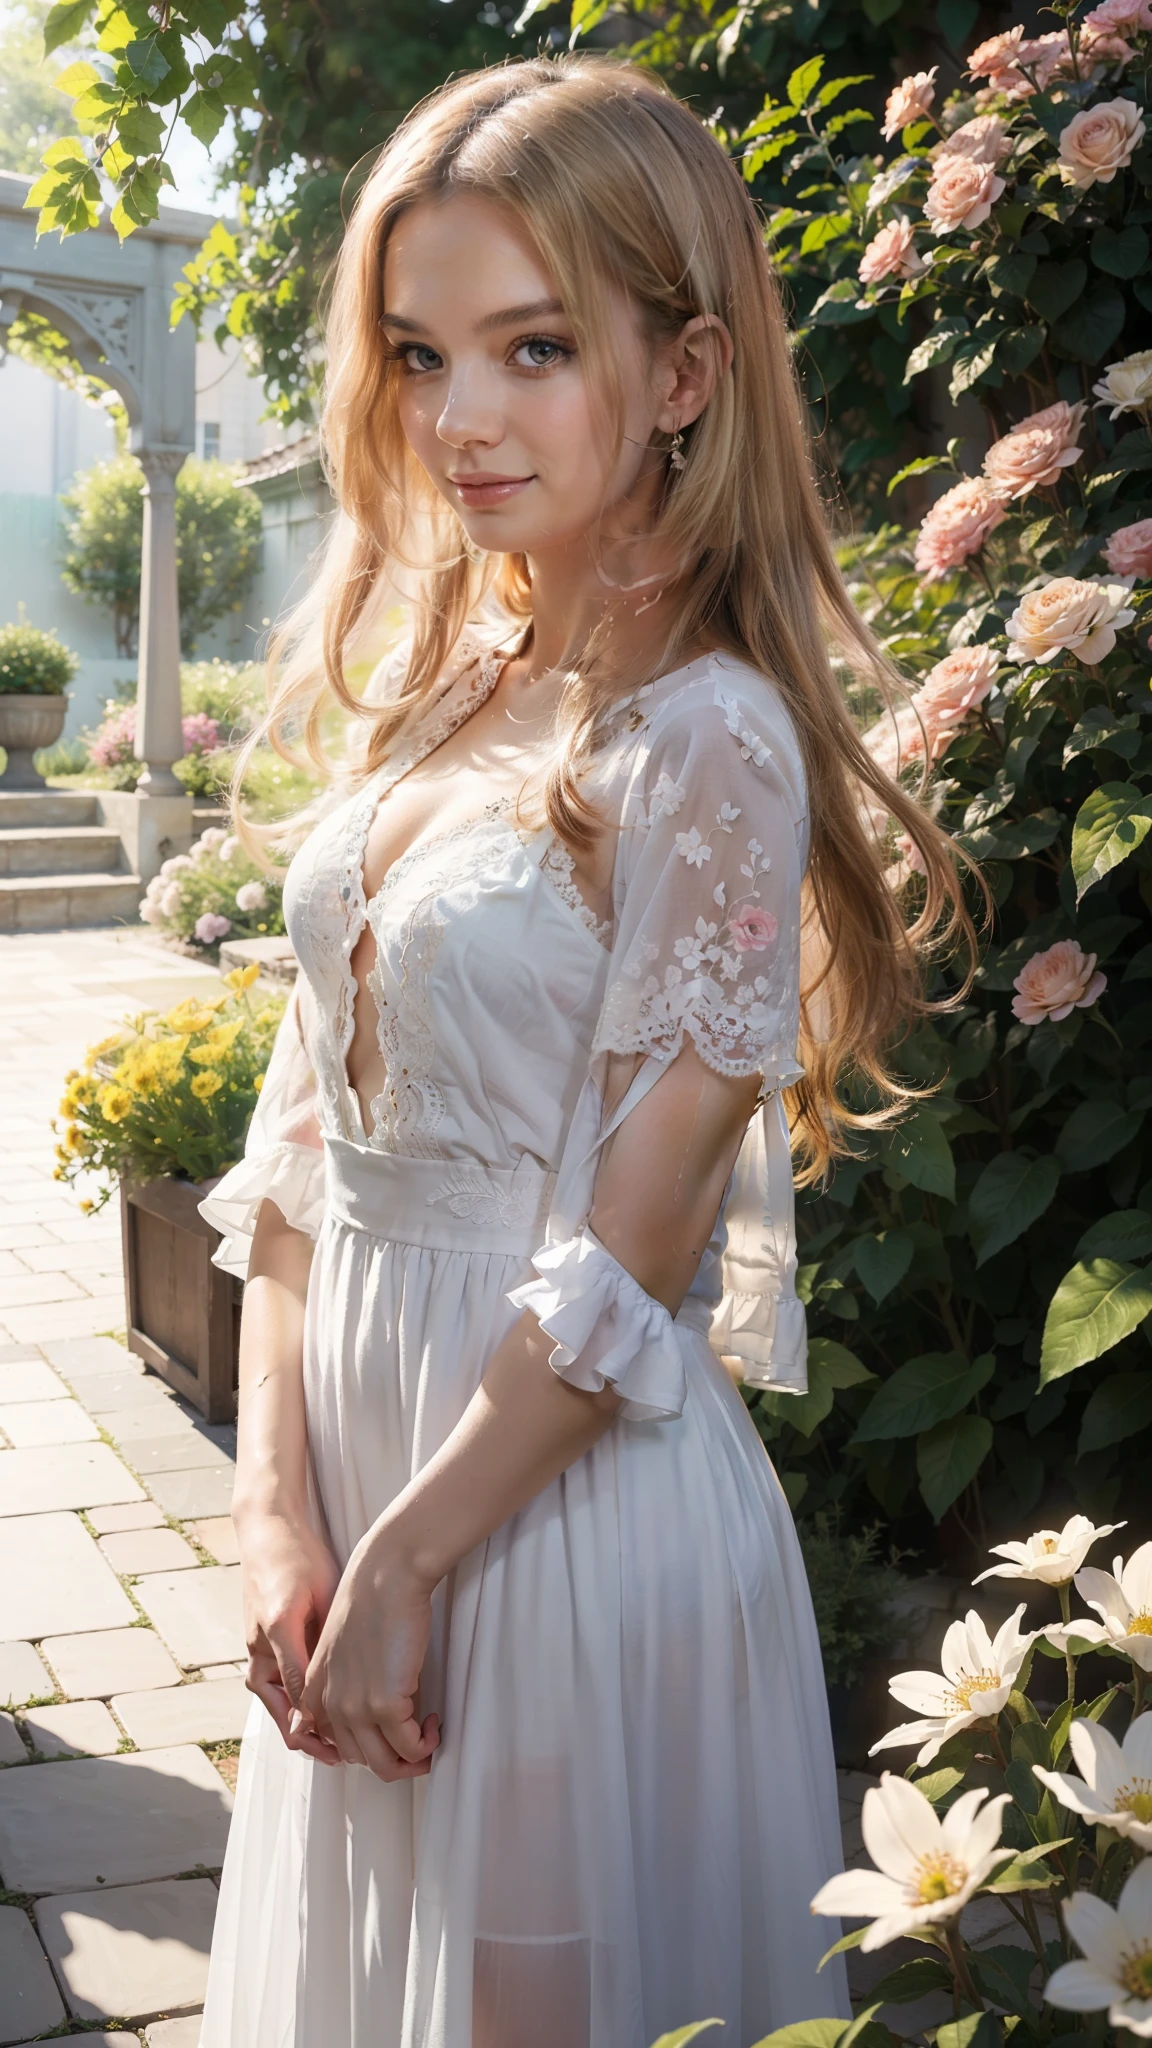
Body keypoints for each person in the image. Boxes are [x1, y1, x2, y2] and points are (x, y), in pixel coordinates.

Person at [197, 54, 970, 2048]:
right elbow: (301, 1147)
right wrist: (282, 1513)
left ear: (688, 371)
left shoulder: (709, 741)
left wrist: (410, 1562)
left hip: (539, 1528)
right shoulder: (445, 688)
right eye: (421, 351)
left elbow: (632, 1250)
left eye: (533, 347)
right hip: (370, 1520)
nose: (460, 417)